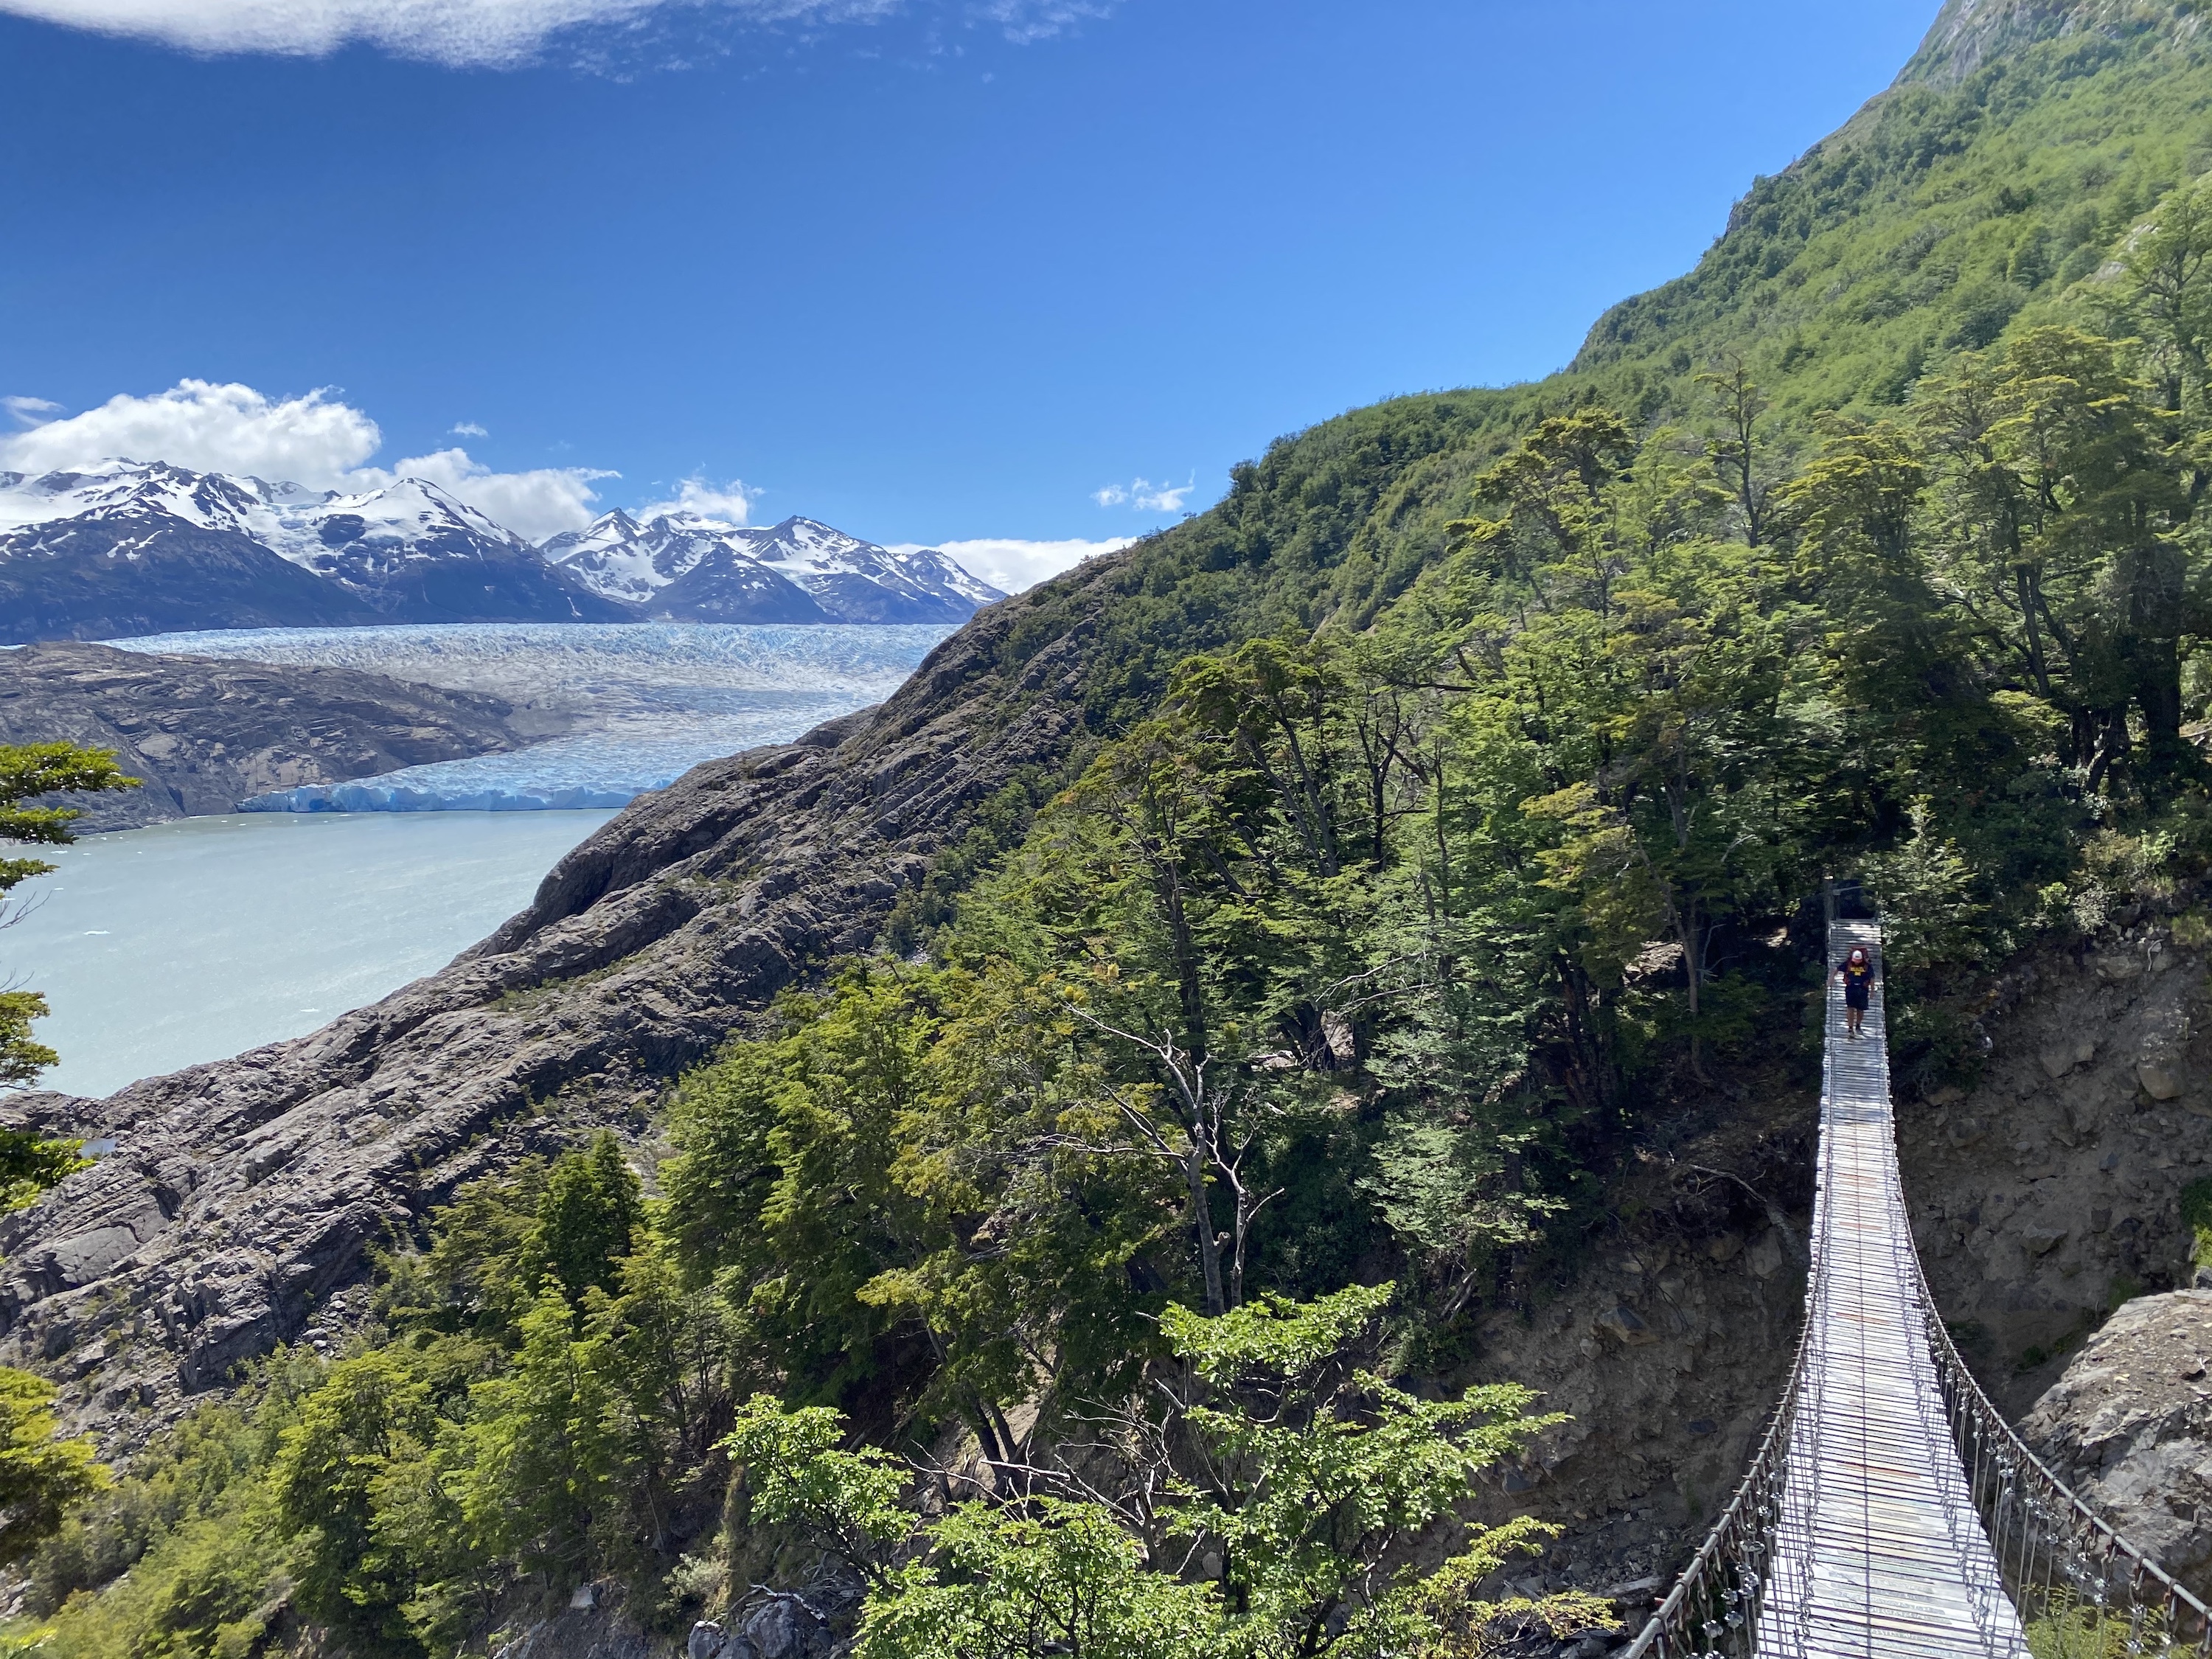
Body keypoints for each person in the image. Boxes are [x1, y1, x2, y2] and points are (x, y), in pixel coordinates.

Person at [1834, 945, 1875, 1038]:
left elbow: (1872, 978)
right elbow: (1837, 969)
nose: (1856, 962)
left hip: (1863, 989)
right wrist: (1831, 979)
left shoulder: (1867, 966)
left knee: (1861, 1009)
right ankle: (1850, 1028)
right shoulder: (1848, 964)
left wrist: (1873, 990)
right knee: (1850, 1008)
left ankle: (1858, 1025)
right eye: (1855, 960)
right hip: (1851, 989)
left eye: (1858, 960)